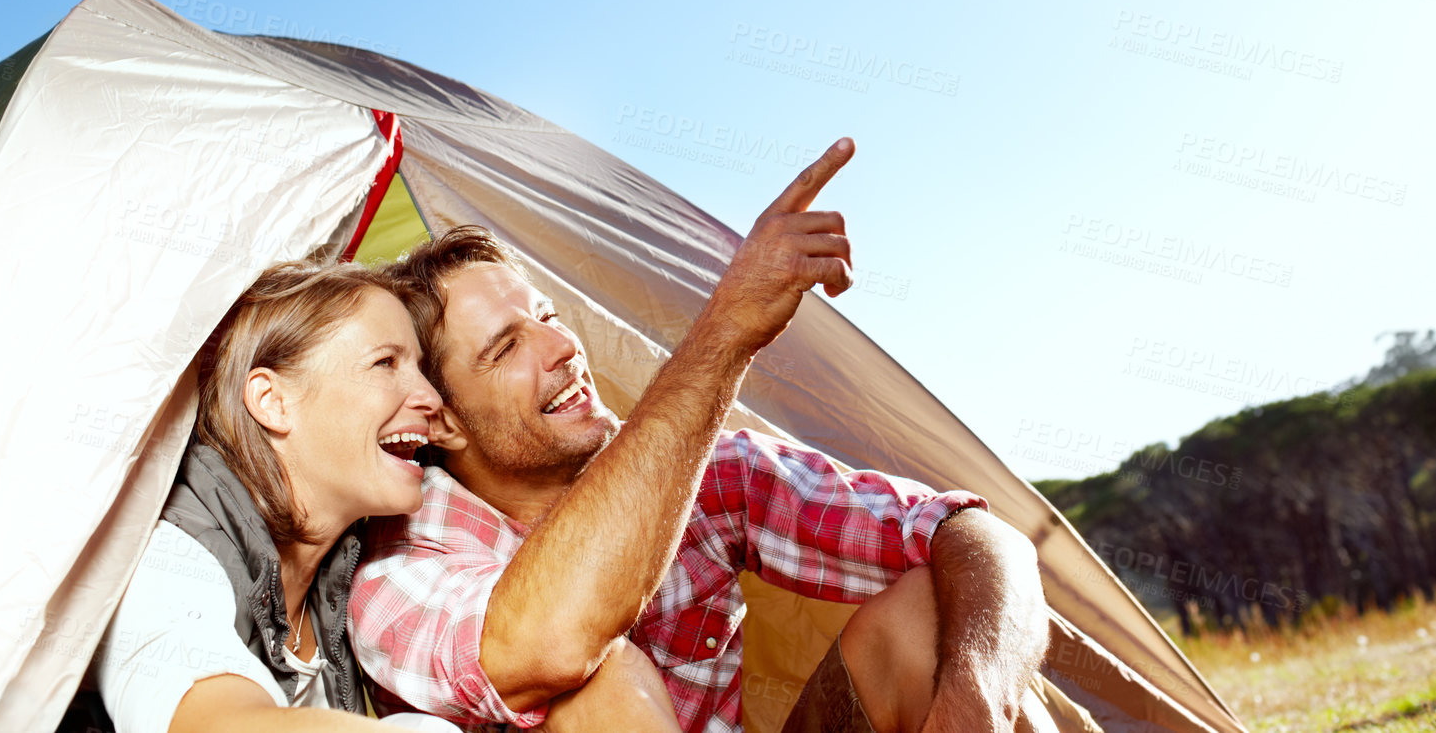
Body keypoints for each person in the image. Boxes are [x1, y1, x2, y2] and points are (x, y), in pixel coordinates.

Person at [352, 139, 1065, 733]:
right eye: (505, 347)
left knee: (938, 616)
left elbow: (969, 532)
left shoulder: (704, 476)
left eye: (547, 314)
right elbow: (545, 647)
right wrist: (726, 331)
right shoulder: (402, 572)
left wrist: (979, 695)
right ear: (438, 417)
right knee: (594, 683)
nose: (562, 346)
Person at [91, 260, 466, 733]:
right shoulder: (169, 558)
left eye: (421, 369)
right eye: (385, 363)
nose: (431, 398)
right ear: (272, 401)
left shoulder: (337, 580)